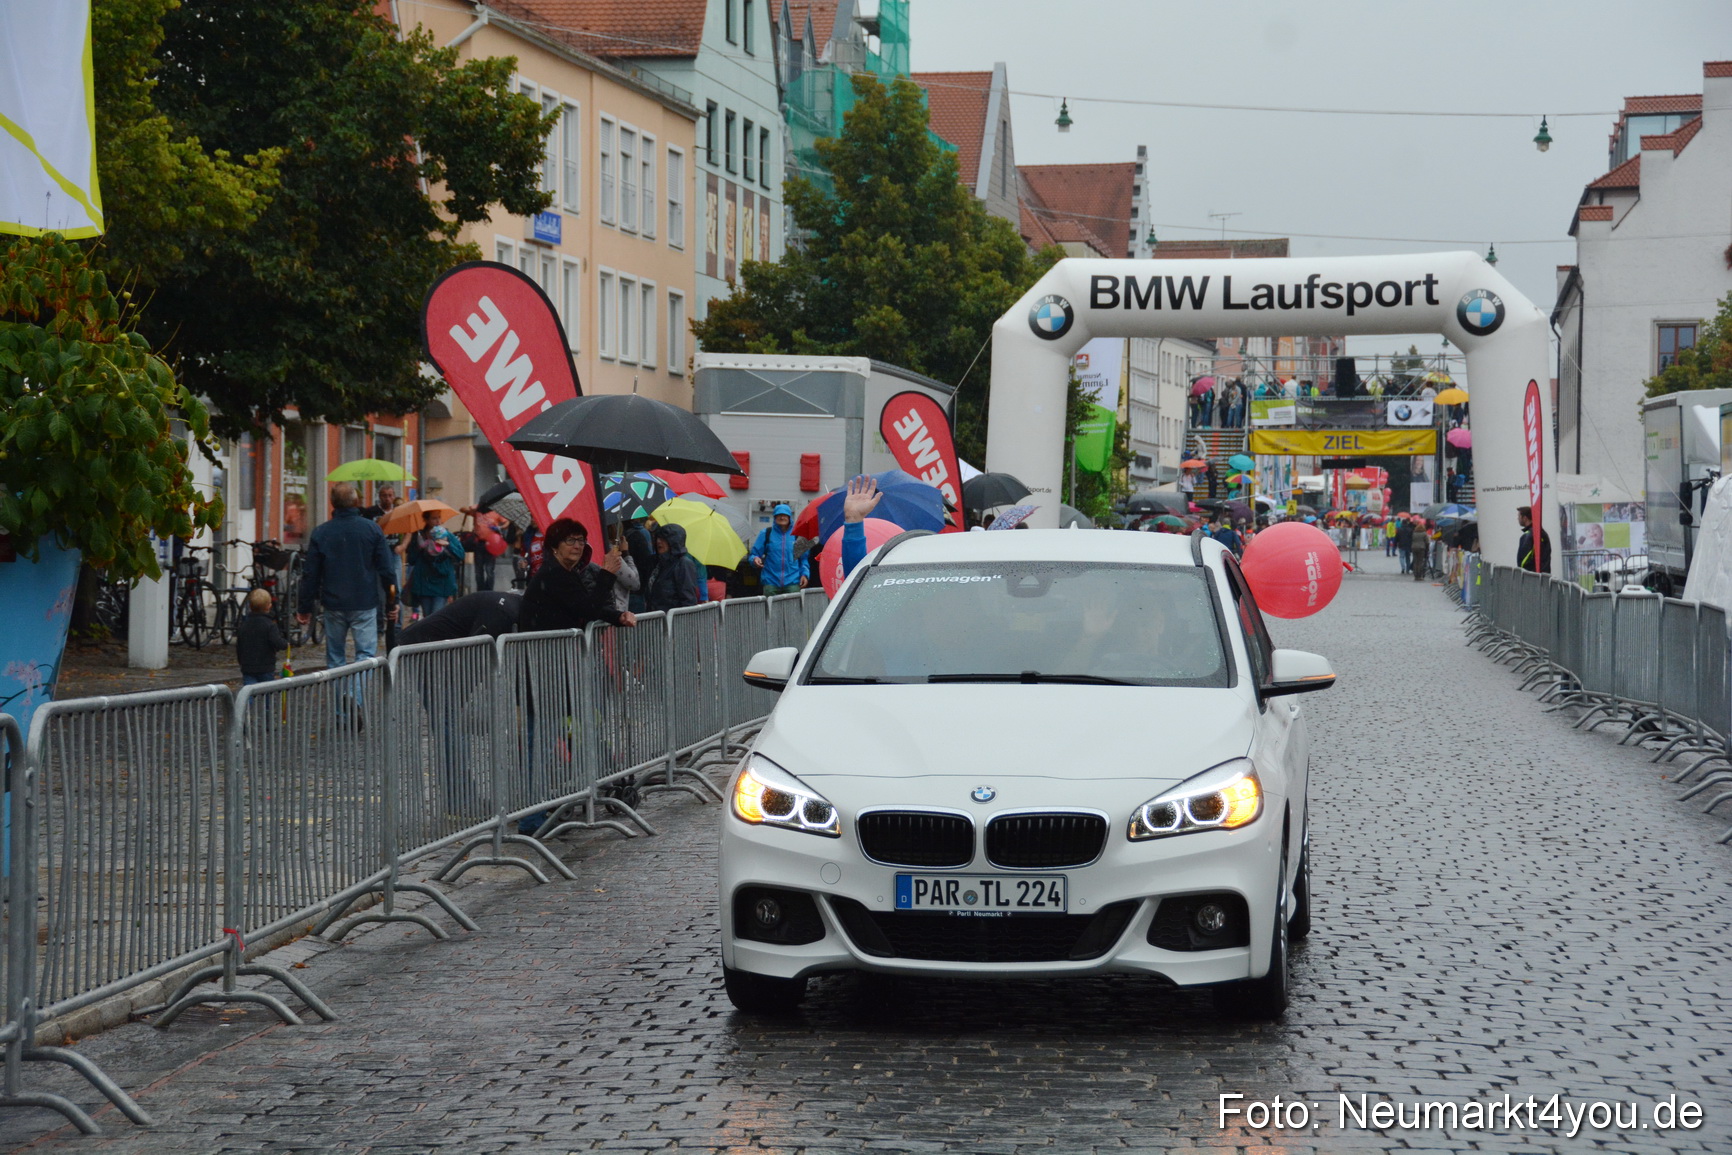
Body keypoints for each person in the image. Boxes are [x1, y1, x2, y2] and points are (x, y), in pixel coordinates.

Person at [297, 482, 399, 672]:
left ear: (332, 503)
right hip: (364, 601)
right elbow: (387, 570)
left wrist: (304, 607)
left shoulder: (321, 532)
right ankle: (354, 698)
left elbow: (310, 574)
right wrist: (393, 601)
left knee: (335, 657)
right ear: (355, 501)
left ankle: (340, 700)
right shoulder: (372, 529)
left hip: (333, 602)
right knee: (365, 656)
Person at [519, 518, 635, 631]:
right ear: (554, 546)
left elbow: (584, 604)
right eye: (570, 540)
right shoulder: (554, 574)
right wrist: (606, 573)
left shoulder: (568, 572)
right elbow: (589, 611)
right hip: (546, 647)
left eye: (581, 540)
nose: (577, 546)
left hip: (558, 646)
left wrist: (618, 616)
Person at [398, 590, 523, 646]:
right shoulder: (503, 609)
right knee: (443, 695)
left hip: (432, 645)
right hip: (421, 645)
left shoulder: (506, 605)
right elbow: (476, 650)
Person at [404, 511, 465, 618]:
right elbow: (411, 559)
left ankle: (435, 635)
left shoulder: (446, 534)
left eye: (439, 518)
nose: (438, 521)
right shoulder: (419, 536)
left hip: (442, 582)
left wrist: (447, 544)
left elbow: (460, 554)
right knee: (427, 617)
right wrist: (418, 547)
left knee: (436, 616)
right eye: (434, 518)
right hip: (424, 581)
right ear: (426, 520)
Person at [748, 503, 807, 594]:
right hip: (771, 583)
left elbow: (803, 559)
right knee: (770, 609)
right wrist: (755, 559)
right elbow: (754, 555)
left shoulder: (797, 535)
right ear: (775, 517)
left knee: (792, 608)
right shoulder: (766, 533)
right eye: (779, 515)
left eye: (784, 515)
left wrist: (805, 574)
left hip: (792, 583)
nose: (782, 517)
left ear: (789, 517)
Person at [235, 587, 288, 687]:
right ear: (269, 606)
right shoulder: (270, 625)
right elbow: (276, 641)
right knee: (267, 690)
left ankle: (247, 702)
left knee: (248, 688)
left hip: (248, 666)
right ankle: (267, 703)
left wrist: (241, 661)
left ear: (250, 606)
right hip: (266, 666)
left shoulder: (244, 625)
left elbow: (239, 645)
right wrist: (285, 644)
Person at [644, 523, 703, 611]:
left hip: (674, 621)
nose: (658, 541)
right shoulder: (657, 563)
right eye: (658, 538)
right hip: (656, 620)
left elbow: (688, 599)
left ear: (673, 541)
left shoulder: (683, 564)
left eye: (664, 538)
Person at [623, 517, 656, 612]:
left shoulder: (634, 536)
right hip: (637, 591)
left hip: (633, 591)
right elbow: (647, 563)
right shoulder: (638, 535)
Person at [1517, 505, 1552, 573]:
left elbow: (1524, 560)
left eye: (1519, 516)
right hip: (1544, 575)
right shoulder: (1541, 532)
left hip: (1532, 577)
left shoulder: (1529, 535)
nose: (1517, 518)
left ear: (1525, 518)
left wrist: (1522, 571)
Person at [1409, 518, 1431, 582]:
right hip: (1421, 548)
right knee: (1420, 562)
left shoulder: (1414, 533)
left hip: (1414, 548)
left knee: (1415, 562)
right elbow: (1427, 542)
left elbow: (1412, 540)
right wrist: (1427, 548)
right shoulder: (1424, 533)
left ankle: (1415, 575)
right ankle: (1419, 575)